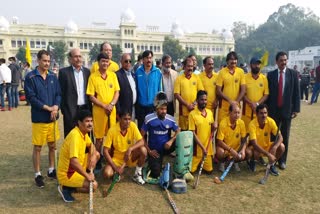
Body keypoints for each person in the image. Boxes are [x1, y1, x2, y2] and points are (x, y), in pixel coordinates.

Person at [24, 50, 61, 188]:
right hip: (40, 118)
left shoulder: (52, 76)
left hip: (52, 118)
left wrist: (56, 107)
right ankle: (38, 174)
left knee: (53, 145)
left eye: (48, 61)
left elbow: (58, 94)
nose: (47, 63)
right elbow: (31, 98)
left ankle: (51, 170)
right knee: (38, 147)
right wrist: (48, 108)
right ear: (38, 61)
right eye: (44, 60)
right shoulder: (31, 77)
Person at [57, 110, 100, 202]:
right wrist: (87, 176)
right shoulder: (75, 136)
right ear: (79, 123)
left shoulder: (83, 133)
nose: (90, 124)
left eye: (91, 121)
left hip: (77, 169)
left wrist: (93, 156)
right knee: (94, 185)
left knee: (96, 154)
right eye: (87, 121)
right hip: (68, 174)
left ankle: (74, 185)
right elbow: (73, 162)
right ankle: (65, 187)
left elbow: (91, 145)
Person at [266, 51, 300, 170]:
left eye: (285, 60)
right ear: (276, 62)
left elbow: (296, 92)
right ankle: (272, 159)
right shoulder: (270, 75)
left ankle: (282, 161)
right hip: (273, 110)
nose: (283, 62)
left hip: (287, 111)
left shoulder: (293, 74)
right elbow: (268, 94)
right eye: (281, 60)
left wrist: (296, 109)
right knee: (273, 136)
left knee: (285, 136)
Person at [86, 53, 120, 170]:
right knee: (99, 139)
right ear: (98, 62)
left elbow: (117, 92)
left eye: (107, 61)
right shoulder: (93, 77)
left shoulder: (113, 76)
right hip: (99, 112)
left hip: (111, 111)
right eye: (103, 61)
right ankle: (97, 159)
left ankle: (111, 159)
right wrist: (104, 105)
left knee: (111, 136)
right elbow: (91, 96)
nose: (105, 63)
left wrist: (111, 104)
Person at [141, 92, 180, 179]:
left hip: (166, 147)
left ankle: (180, 164)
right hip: (154, 151)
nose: (164, 111)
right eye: (161, 109)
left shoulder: (170, 119)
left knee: (181, 139)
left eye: (165, 109)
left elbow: (178, 131)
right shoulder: (149, 118)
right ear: (156, 108)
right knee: (155, 174)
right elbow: (141, 136)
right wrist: (149, 151)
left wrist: (171, 141)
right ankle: (154, 162)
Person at [103, 110, 147, 184]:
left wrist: (130, 149)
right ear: (119, 119)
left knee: (143, 150)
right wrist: (115, 167)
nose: (128, 122)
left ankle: (137, 174)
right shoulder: (112, 130)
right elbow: (105, 151)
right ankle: (116, 174)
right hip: (117, 160)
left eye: (129, 119)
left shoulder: (132, 125)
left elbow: (142, 141)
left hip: (130, 156)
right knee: (107, 174)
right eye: (125, 119)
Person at [59, 48, 91, 138]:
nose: (78, 59)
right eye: (75, 57)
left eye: (80, 56)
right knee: (71, 135)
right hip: (70, 109)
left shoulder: (87, 72)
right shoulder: (64, 73)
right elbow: (61, 92)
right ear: (70, 59)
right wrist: (64, 109)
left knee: (85, 135)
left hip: (85, 108)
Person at [245, 104, 285, 175]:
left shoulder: (271, 121)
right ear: (257, 114)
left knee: (282, 147)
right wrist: (268, 154)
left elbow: (280, 137)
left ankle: (271, 165)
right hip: (256, 148)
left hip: (267, 146)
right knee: (251, 152)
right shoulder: (252, 124)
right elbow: (254, 144)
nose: (264, 115)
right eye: (261, 113)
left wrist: (275, 147)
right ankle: (252, 161)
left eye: (265, 113)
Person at [189, 90, 217, 173]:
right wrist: (202, 148)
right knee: (191, 171)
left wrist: (214, 127)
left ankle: (203, 162)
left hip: (207, 150)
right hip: (197, 150)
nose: (204, 102)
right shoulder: (192, 114)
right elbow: (193, 134)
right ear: (197, 101)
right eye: (201, 100)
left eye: (205, 100)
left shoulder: (210, 113)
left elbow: (212, 129)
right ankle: (197, 162)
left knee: (209, 171)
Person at [174, 57, 204, 130]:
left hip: (195, 110)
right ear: (184, 67)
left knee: (195, 132)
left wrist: (194, 104)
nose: (190, 68)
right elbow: (176, 94)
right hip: (183, 112)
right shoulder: (179, 79)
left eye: (192, 66)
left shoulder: (196, 77)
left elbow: (201, 93)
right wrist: (187, 105)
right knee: (184, 133)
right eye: (188, 66)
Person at [135, 50, 162, 129]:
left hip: (153, 106)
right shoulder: (138, 72)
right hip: (141, 106)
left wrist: (159, 105)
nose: (149, 60)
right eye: (147, 58)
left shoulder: (157, 72)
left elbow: (160, 90)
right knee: (142, 131)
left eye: (150, 58)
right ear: (143, 59)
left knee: (153, 130)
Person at [216, 51, 246, 123]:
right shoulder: (222, 72)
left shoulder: (241, 72)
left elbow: (243, 90)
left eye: (235, 59)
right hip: (224, 107)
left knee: (235, 128)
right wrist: (229, 100)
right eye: (231, 59)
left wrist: (236, 102)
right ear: (227, 61)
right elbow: (218, 91)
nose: (233, 61)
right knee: (222, 127)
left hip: (236, 107)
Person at [216, 104, 247, 172]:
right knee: (220, 152)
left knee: (243, 154)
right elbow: (219, 141)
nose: (237, 115)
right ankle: (222, 162)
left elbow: (244, 140)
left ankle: (235, 162)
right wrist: (230, 150)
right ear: (229, 113)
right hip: (226, 149)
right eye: (235, 112)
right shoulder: (223, 123)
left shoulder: (241, 123)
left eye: (238, 113)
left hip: (236, 149)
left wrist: (243, 150)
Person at [242, 57, 269, 131]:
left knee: (256, 135)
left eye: (258, 64)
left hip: (259, 113)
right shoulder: (244, 77)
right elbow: (242, 94)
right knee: (244, 135)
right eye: (255, 64)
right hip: (246, 112)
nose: (257, 66)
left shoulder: (264, 78)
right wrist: (251, 103)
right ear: (250, 65)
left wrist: (257, 104)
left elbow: (266, 94)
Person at [116, 53, 137, 120]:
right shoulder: (117, 75)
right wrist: (118, 111)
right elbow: (116, 93)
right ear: (121, 62)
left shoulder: (133, 75)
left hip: (132, 107)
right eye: (126, 61)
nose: (128, 63)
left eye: (130, 61)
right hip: (123, 110)